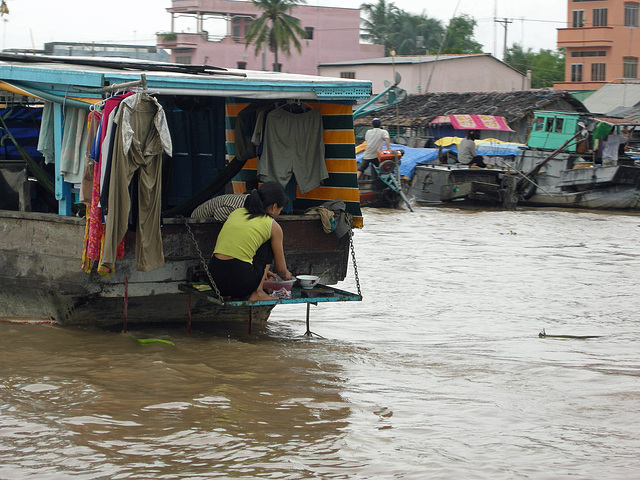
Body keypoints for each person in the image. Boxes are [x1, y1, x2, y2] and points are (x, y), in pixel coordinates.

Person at [208, 181, 292, 301]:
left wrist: (263, 271)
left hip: (214, 281)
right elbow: (280, 269)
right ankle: (258, 292)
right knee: (267, 241)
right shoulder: (272, 225)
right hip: (241, 282)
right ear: (274, 207)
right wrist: (286, 275)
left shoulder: (236, 212)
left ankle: (246, 288)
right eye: (280, 209)